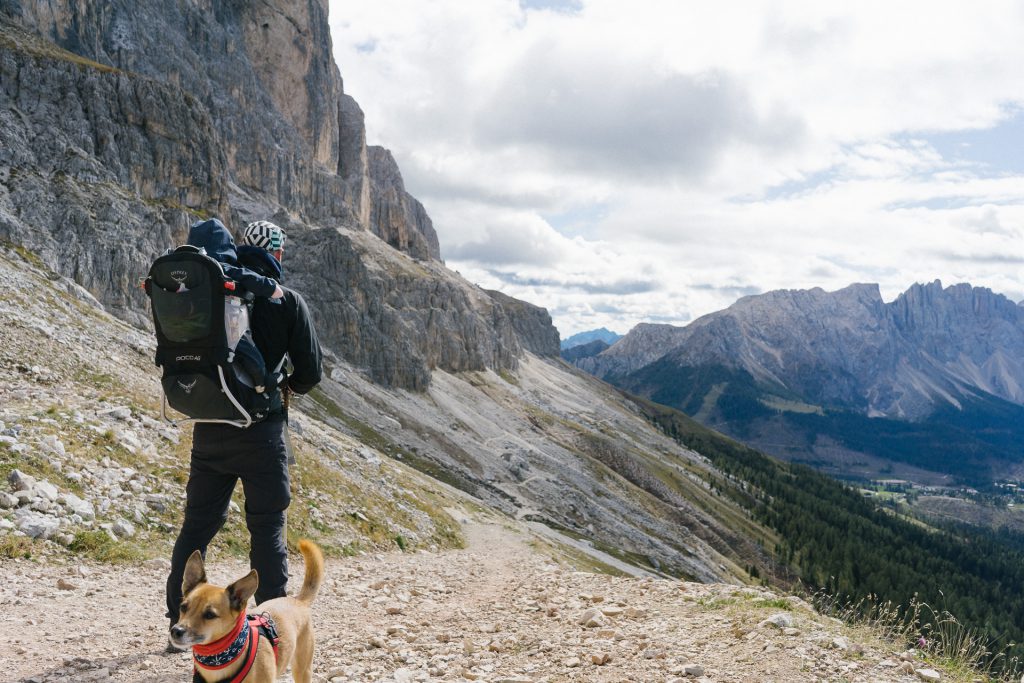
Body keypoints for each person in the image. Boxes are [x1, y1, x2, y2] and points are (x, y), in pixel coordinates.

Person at [165, 219, 323, 638]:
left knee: (197, 525)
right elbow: (310, 373)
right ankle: (271, 630)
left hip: (211, 426)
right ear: (279, 254)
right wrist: (284, 384)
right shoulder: (286, 300)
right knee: (267, 527)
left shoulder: (214, 290)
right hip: (261, 432)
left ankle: (177, 624)